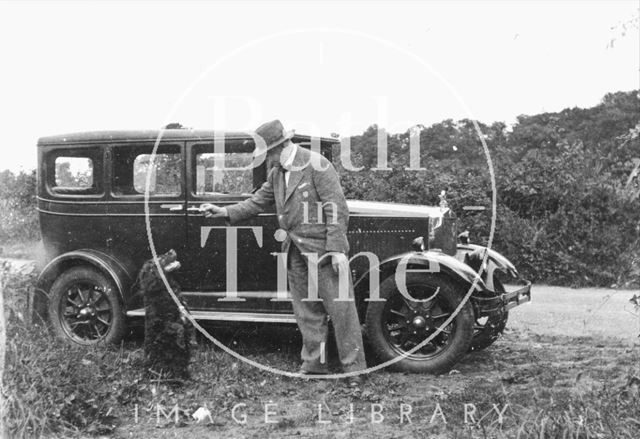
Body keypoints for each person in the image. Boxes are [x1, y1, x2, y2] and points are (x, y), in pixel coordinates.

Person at [201, 120, 367, 387]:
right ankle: (315, 366)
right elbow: (257, 201)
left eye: (266, 155)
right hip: (294, 252)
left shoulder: (317, 164)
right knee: (307, 311)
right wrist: (225, 212)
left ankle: (355, 371)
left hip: (323, 252)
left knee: (341, 311)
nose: (265, 160)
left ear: (279, 148)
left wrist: (336, 249)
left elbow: (336, 207)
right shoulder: (277, 172)